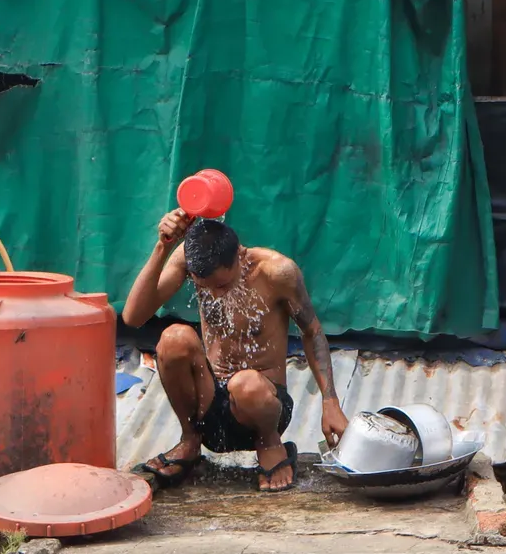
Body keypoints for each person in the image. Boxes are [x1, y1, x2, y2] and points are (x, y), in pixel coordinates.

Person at [123, 209, 349, 492]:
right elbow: (133, 317)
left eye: (222, 285)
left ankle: (269, 443)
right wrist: (163, 246)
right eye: (205, 288)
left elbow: (312, 331)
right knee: (173, 338)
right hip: (210, 405)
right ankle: (190, 440)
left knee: (244, 383)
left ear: (240, 256)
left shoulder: (277, 272)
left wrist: (331, 403)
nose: (217, 294)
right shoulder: (189, 259)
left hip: (262, 406)